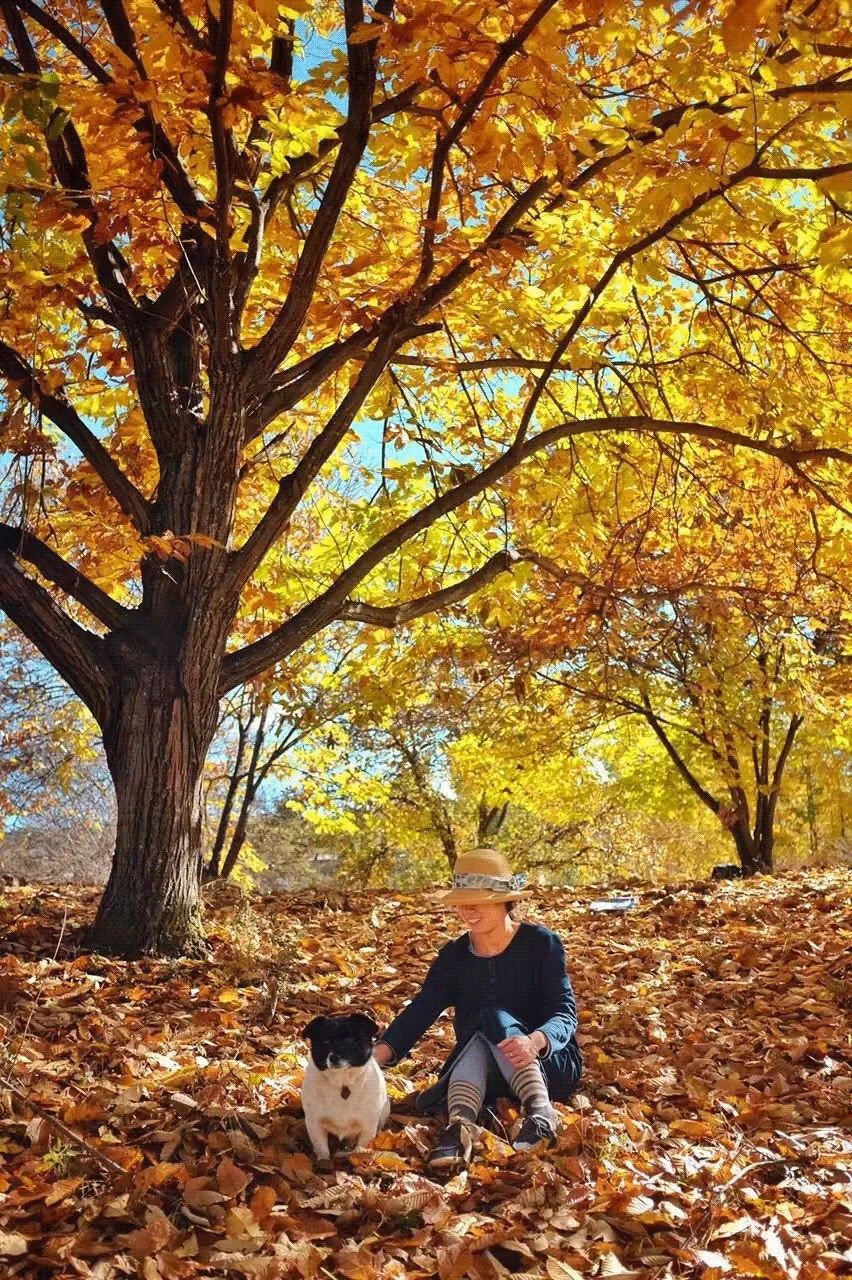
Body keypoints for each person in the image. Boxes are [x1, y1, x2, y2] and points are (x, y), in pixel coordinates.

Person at [373, 848, 582, 1169]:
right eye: (462, 900)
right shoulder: (454, 957)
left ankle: (541, 1112)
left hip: (549, 1064)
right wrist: (374, 1059)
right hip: (484, 1078)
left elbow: (565, 1014)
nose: (467, 909)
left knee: (492, 1017)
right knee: (483, 1026)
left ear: (504, 900)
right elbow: (420, 1011)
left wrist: (535, 1041)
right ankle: (460, 1127)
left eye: (479, 900)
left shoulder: (542, 944)